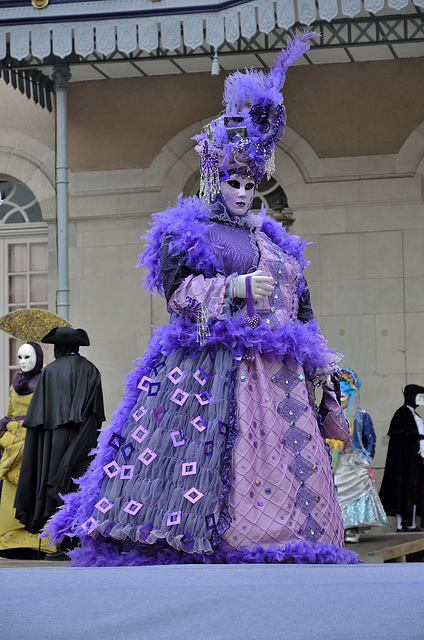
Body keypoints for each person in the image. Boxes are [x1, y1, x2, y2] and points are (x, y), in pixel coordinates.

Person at [47, 32, 359, 566]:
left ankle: (297, 539)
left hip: (281, 374)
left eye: (252, 184)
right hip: (215, 368)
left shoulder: (276, 241)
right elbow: (176, 295)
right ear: (217, 177)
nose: (243, 192)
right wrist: (234, 287)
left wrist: (319, 353)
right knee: (222, 458)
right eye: (235, 181)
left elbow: (300, 305)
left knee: (288, 462)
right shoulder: (190, 231)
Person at [14, 327, 105, 557]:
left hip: (53, 441)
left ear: (60, 347)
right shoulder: (92, 370)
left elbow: (38, 419)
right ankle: (74, 540)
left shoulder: (50, 372)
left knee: (52, 482)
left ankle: (61, 542)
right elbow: (96, 414)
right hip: (83, 438)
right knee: (78, 485)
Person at [0, 342, 55, 557]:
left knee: (33, 487)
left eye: (28, 357)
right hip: (12, 444)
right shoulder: (15, 386)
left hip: (33, 442)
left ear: (39, 359)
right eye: (20, 357)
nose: (23, 362)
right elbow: (11, 412)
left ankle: (36, 543)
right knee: (10, 493)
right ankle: (9, 542)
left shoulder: (44, 384)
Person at [327, 368, 387, 543]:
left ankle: (352, 528)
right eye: (338, 397)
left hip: (354, 462)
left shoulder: (361, 416)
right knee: (336, 492)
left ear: (351, 396)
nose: (340, 400)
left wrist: (366, 457)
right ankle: (338, 527)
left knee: (356, 490)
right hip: (336, 462)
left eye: (343, 397)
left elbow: (370, 438)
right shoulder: (332, 416)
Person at [379, 384, 424, 532]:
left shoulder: (414, 415)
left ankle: (410, 523)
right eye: (419, 396)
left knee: (415, 491)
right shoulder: (402, 414)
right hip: (405, 464)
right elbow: (401, 443)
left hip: (416, 462)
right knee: (404, 491)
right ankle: (402, 524)